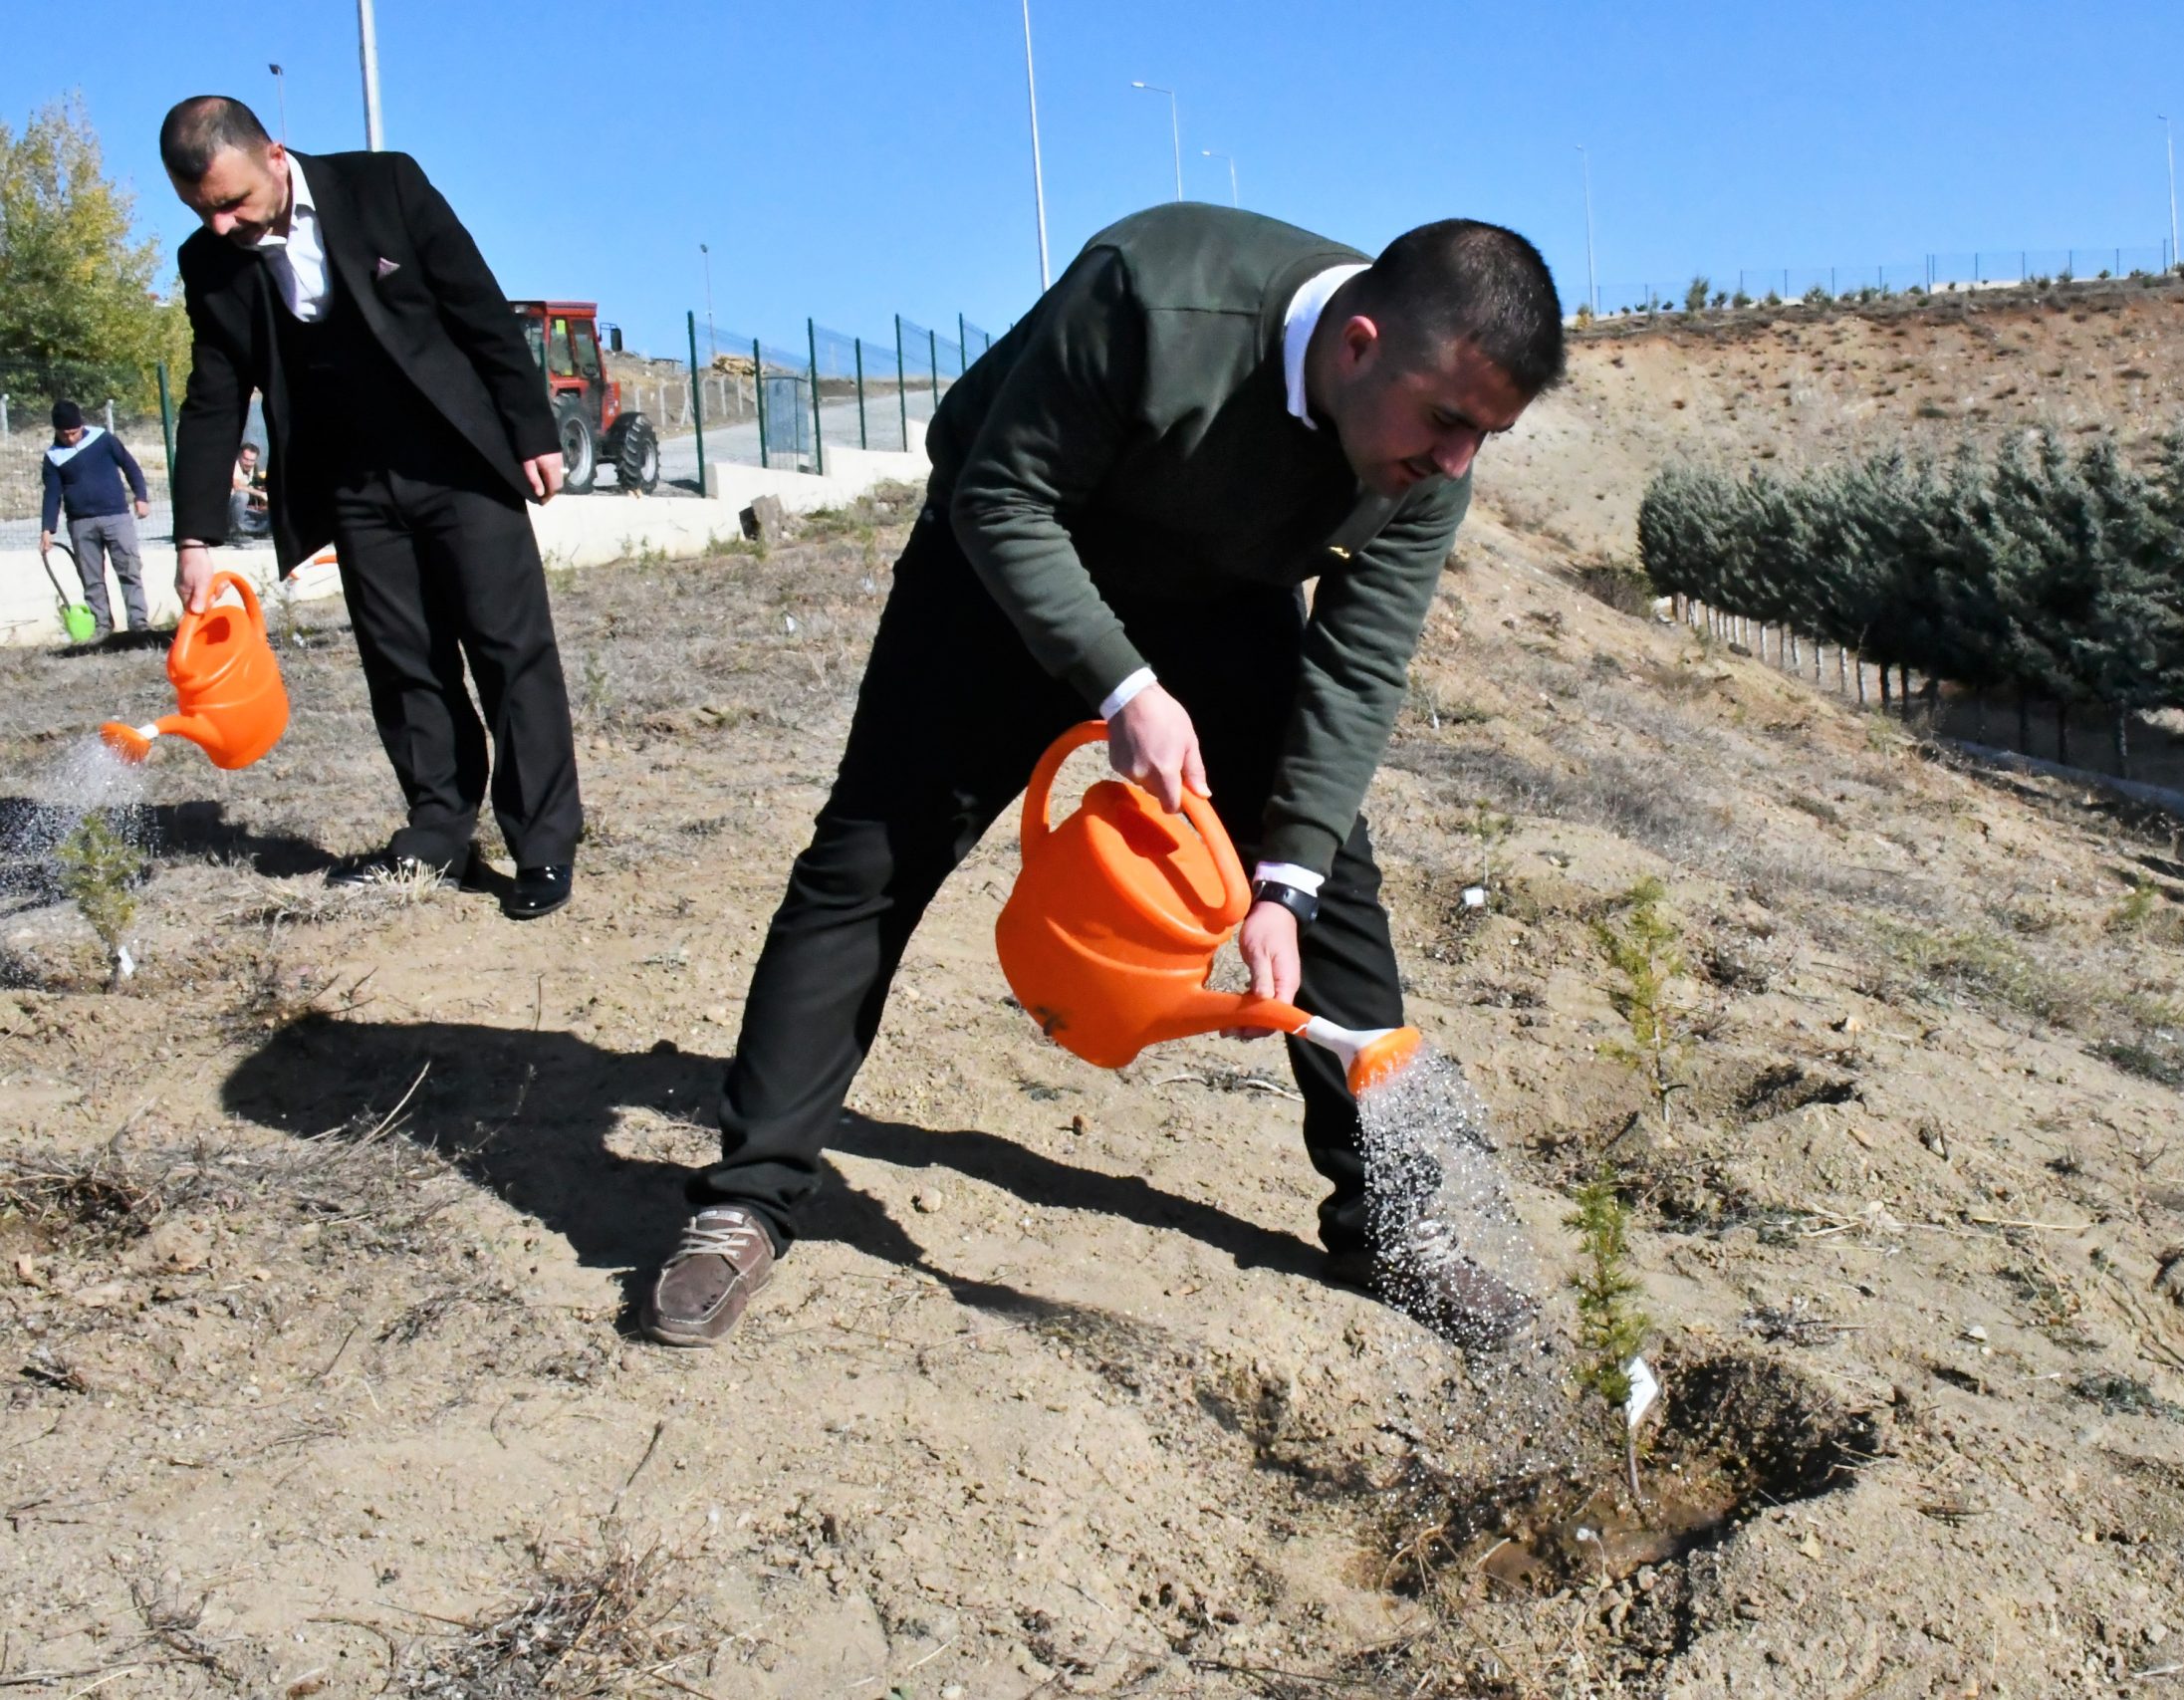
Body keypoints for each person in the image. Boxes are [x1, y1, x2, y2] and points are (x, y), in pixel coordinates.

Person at [644, 205, 1565, 1349]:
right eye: (1446, 423)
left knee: (1328, 886)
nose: (1455, 462)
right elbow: (997, 495)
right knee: (870, 861)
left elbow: (1359, 664)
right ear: (1359, 343)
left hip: (1221, 602)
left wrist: (1285, 884)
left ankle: (1394, 1231)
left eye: (1485, 437)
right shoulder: (1152, 297)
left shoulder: (1429, 455)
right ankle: (748, 1198)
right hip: (1008, 563)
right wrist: (1125, 688)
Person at [159, 96, 581, 919]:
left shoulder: (384, 187)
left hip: (457, 459)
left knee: (509, 650)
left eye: (230, 201)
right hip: (352, 484)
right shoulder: (209, 261)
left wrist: (533, 430)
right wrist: (194, 538)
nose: (220, 225)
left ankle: (542, 843)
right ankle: (439, 832)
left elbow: (478, 307)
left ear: (274, 154)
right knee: (402, 660)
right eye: (200, 210)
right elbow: (213, 396)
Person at [37, 399, 151, 635]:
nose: (70, 438)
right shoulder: (53, 457)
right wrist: (47, 528)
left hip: (116, 517)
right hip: (80, 523)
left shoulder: (103, 439)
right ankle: (102, 627)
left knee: (129, 570)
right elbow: (52, 494)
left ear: (81, 425)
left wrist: (140, 496)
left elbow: (130, 467)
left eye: (74, 432)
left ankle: (139, 624)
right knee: (91, 579)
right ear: (56, 430)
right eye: (64, 434)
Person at [228, 442, 270, 540]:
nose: (248, 463)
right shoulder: (233, 465)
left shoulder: (253, 469)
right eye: (245, 459)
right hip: (225, 509)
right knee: (242, 496)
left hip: (240, 512)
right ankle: (234, 531)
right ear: (239, 456)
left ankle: (248, 530)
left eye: (252, 460)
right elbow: (237, 485)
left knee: (268, 517)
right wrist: (260, 494)